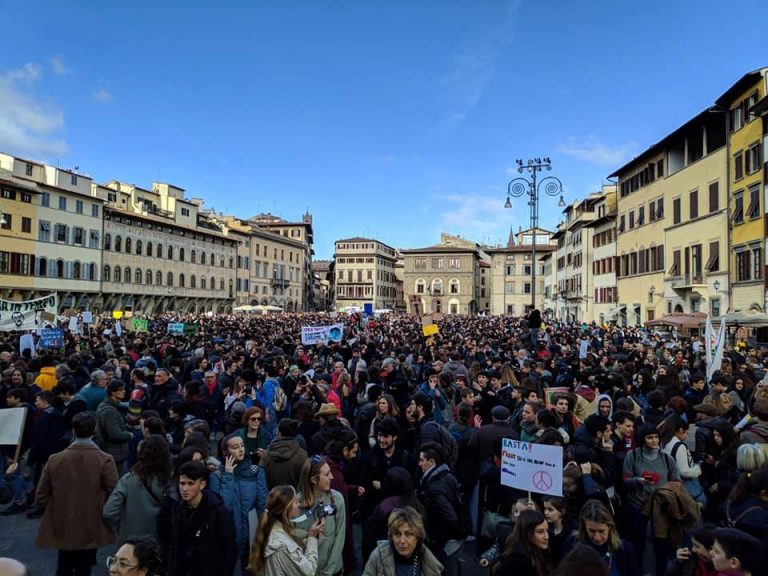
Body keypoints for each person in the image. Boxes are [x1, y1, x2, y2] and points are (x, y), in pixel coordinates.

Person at [35, 411, 119, 576]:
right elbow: (114, 491)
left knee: (64, 563)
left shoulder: (55, 459)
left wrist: (55, 507)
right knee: (84, 567)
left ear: (73, 430)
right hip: (91, 519)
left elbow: (41, 494)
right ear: (94, 430)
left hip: (62, 518)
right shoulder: (104, 459)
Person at [209, 433, 268, 570]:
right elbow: (224, 508)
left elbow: (262, 505)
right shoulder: (217, 476)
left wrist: (263, 535)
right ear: (225, 452)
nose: (241, 449)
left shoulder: (256, 472)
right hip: (228, 539)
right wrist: (228, 476)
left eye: (242, 445)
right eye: (235, 447)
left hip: (252, 537)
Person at [103, 435, 172, 544]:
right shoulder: (171, 481)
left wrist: (122, 527)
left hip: (131, 540)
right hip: (160, 541)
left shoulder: (129, 479)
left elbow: (109, 512)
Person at [246, 484, 324, 576]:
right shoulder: (281, 547)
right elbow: (309, 571)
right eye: (295, 502)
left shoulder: (271, 528)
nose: (298, 504)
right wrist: (312, 537)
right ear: (286, 509)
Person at [292, 456, 346, 576]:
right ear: (314, 480)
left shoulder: (336, 499)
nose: (331, 477)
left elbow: (340, 537)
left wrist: (328, 572)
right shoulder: (296, 503)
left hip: (331, 570)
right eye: (327, 474)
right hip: (307, 570)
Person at [417, 441, 464, 576]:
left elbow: (450, 518)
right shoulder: (448, 476)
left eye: (422, 460)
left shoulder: (434, 488)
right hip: (454, 540)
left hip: (446, 543)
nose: (419, 464)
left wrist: (438, 543)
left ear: (431, 462)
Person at [362, 506, 443, 576]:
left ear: (417, 537)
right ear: (391, 536)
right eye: (397, 534)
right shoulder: (378, 556)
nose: (402, 541)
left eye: (408, 534)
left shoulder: (428, 561)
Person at [574, 499, 639, 576]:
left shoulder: (625, 550)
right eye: (592, 531)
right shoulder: (573, 547)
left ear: (609, 527)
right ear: (584, 528)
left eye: (601, 531)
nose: (597, 537)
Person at [495, 508, 550, 576]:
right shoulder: (517, 562)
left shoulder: (536, 552)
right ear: (527, 533)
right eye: (540, 532)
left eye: (547, 531)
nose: (546, 537)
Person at [97, 380, 133, 472]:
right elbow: (114, 434)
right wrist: (129, 435)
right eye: (121, 389)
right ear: (112, 392)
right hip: (115, 453)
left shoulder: (110, 405)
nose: (124, 391)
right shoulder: (110, 412)